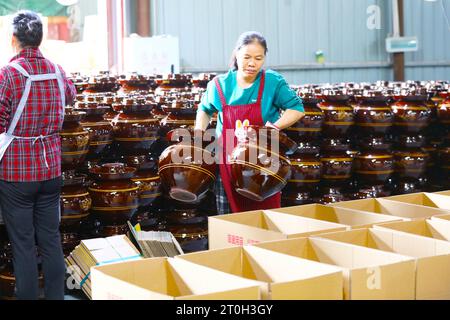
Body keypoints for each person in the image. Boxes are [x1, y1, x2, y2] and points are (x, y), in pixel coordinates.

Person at [0, 10, 76, 300]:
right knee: (50, 240)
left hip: (17, 174)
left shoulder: (9, 74)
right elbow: (71, 95)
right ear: (40, 38)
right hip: (50, 170)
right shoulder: (57, 71)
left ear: (13, 39)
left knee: (23, 245)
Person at [195, 31, 305, 215]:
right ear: (236, 54)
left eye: (258, 58)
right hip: (227, 161)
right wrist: (199, 133)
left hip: (263, 164)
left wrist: (275, 126)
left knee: (264, 217)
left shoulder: (272, 82)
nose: (252, 63)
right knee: (229, 217)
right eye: (246, 57)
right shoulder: (219, 85)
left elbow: (296, 108)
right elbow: (205, 109)